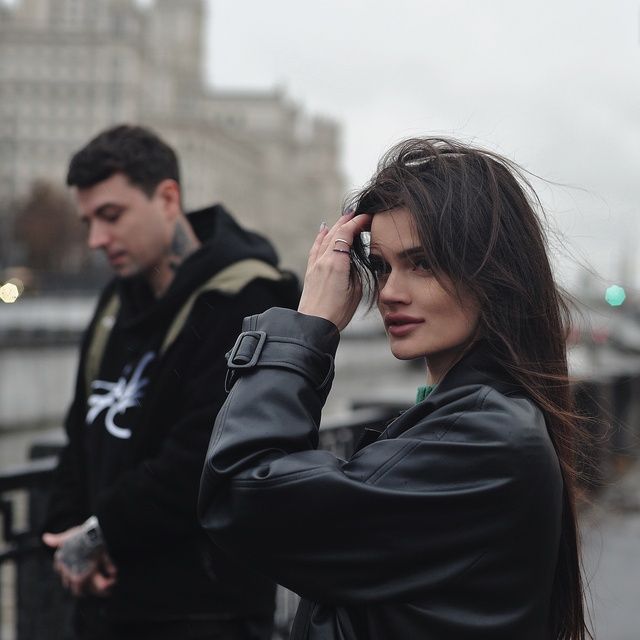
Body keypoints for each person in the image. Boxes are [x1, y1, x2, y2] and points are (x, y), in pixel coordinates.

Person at [198, 137, 591, 639]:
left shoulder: (490, 439)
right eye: (382, 267)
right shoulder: (482, 423)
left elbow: (241, 494)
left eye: (422, 262)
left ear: (493, 273)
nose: (389, 292)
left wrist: (306, 328)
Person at [41, 124, 300, 640]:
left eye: (111, 216)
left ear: (166, 198)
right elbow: (80, 434)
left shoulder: (248, 298)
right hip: (104, 608)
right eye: (89, 221)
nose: (96, 240)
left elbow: (204, 456)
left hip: (204, 614)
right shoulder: (116, 299)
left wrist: (97, 535)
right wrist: (69, 536)